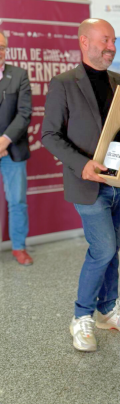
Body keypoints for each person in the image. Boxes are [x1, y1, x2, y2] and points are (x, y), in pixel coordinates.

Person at [42, 18, 120, 352]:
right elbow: (49, 135)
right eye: (105, 40)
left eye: (114, 42)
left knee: (113, 249)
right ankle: (81, 316)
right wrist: (82, 164)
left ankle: (108, 310)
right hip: (88, 184)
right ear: (84, 42)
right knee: (104, 249)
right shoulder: (63, 84)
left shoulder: (118, 81)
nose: (112, 47)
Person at [0, 30, 32, 265]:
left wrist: (3, 141)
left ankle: (19, 247)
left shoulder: (19, 75)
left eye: (2, 47)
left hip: (12, 149)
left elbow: (24, 113)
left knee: (17, 201)